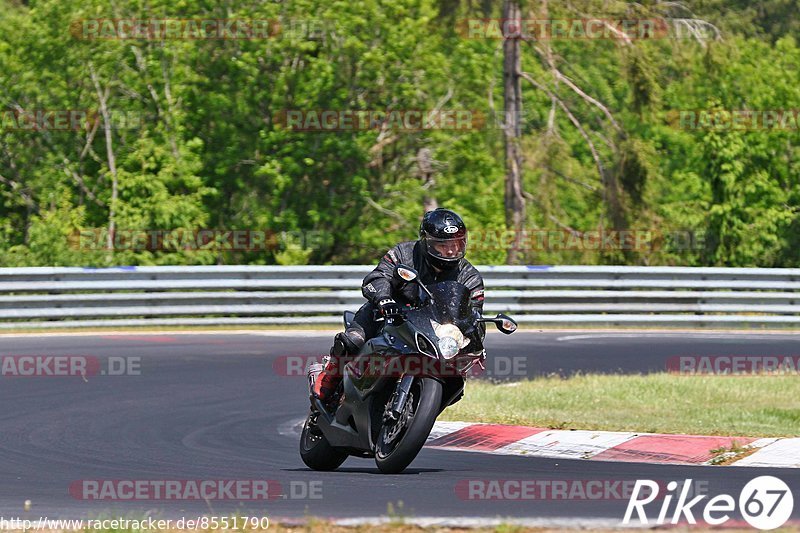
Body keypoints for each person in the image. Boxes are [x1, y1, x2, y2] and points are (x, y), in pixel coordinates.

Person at [309, 208, 485, 401]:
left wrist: (474, 341)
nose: (451, 251)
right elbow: (377, 278)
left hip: (432, 331)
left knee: (455, 381)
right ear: (427, 241)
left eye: (457, 244)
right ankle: (329, 375)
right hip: (388, 314)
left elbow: (473, 315)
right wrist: (384, 300)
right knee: (353, 340)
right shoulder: (404, 253)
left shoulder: (470, 277)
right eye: (443, 245)